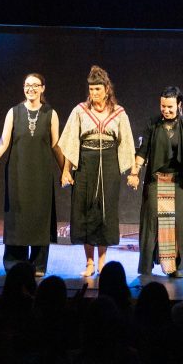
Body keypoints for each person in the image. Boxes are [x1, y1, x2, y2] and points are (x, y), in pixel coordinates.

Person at [59, 65, 136, 277]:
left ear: (107, 89)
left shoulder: (118, 112)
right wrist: (66, 170)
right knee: (85, 211)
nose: (94, 93)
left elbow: (127, 142)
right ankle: (89, 262)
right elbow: (71, 142)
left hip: (109, 163)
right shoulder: (80, 110)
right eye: (91, 89)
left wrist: (133, 172)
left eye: (98, 89)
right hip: (86, 163)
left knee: (105, 211)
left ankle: (102, 262)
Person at [0, 73, 63, 277]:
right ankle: (15, 262)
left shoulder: (50, 113)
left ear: (43, 88)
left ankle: (38, 264)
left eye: (35, 85)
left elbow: (56, 145)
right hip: (17, 173)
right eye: (27, 85)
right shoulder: (14, 112)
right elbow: (3, 142)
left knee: (40, 216)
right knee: (17, 216)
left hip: (41, 174)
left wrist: (65, 170)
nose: (31, 89)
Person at [129, 86, 183, 278]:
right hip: (156, 178)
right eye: (163, 106)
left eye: (170, 106)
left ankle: (176, 267)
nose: (166, 110)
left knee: (176, 223)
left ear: (179, 105)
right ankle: (146, 267)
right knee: (151, 221)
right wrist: (135, 172)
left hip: (177, 180)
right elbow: (143, 150)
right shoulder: (153, 123)